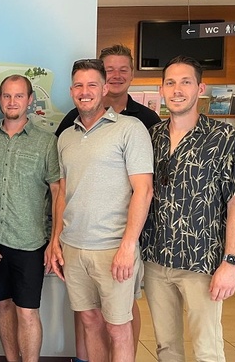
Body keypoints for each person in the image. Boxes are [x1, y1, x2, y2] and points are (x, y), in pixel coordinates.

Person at [54, 45, 160, 361]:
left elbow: (144, 191)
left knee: (118, 327)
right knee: (89, 321)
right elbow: (62, 191)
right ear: (72, 90)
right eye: (78, 85)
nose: (84, 92)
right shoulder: (66, 137)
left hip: (114, 249)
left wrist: (128, 246)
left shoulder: (131, 129)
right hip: (73, 248)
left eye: (91, 85)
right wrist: (57, 241)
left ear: (103, 89)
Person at [141, 55, 235, 362]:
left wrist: (231, 262)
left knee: (207, 349)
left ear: (200, 88)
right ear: (161, 89)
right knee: (166, 348)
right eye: (170, 83)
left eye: (185, 82)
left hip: (203, 264)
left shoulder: (223, 137)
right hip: (156, 260)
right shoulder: (153, 137)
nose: (177, 90)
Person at [0, 75, 60, 362]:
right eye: (7, 96)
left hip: (30, 241)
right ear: (0, 100)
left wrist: (54, 241)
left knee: (27, 311)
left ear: (29, 100)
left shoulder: (47, 142)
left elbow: (57, 193)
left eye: (19, 96)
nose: (12, 102)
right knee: (2, 305)